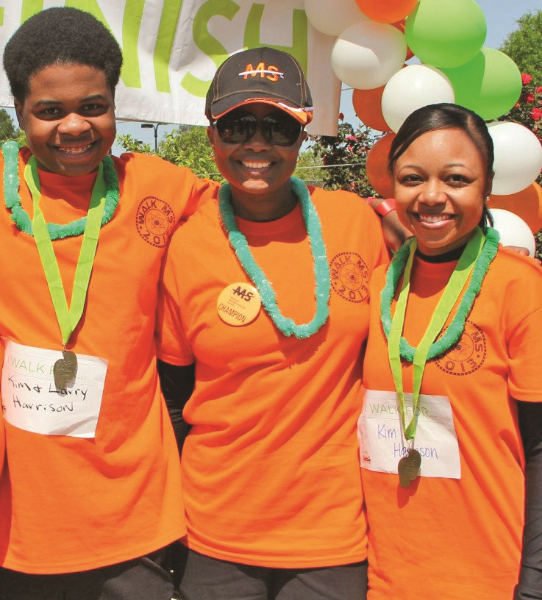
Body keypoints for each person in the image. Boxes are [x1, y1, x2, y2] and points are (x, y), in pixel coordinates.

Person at [0, 7, 219, 599]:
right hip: (17, 526)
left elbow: (258, 206)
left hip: (134, 518)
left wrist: (378, 219)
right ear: (20, 111)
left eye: (93, 106)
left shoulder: (157, 188)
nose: (75, 126)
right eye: (50, 112)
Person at [156, 46, 389, 600]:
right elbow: (171, 398)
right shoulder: (186, 243)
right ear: (213, 135)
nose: (257, 143)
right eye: (237, 125)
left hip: (333, 536)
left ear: (303, 136)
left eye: (279, 126)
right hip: (215, 534)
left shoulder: (356, 222)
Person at [359, 103, 542, 600]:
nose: (432, 197)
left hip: (489, 579)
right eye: (413, 178)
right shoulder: (380, 289)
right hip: (383, 577)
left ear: (487, 186)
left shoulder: (519, 288)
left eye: (457, 179)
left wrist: (534, 582)